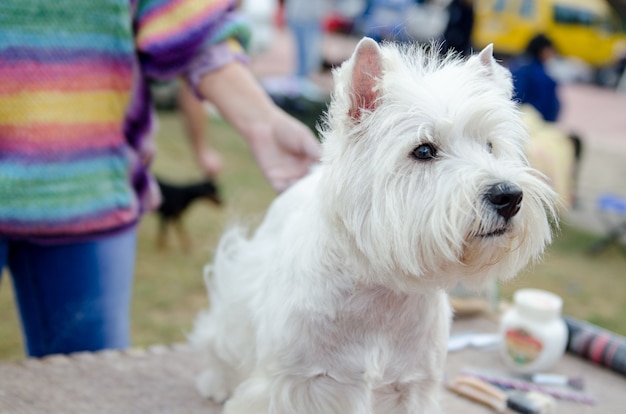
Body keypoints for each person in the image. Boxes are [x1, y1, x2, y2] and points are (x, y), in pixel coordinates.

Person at [0, 0, 321, 358]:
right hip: (98, 189)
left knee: (95, 384)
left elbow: (188, 21)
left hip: (95, 193)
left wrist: (264, 122)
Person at [510, 34, 560, 122]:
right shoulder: (543, 77)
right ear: (544, 51)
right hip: (535, 123)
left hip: (515, 119)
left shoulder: (515, 67)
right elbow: (548, 107)